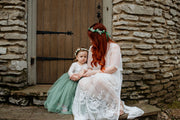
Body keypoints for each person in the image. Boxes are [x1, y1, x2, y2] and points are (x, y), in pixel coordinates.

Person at [72, 23, 144, 120]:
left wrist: (93, 73)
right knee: (83, 83)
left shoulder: (114, 47)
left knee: (98, 79)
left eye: (92, 38)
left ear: (99, 38)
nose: (90, 40)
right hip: (97, 76)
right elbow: (89, 67)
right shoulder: (92, 49)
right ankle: (103, 105)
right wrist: (82, 73)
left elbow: (113, 68)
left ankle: (118, 104)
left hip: (111, 76)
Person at [44, 48, 88, 114]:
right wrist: (72, 76)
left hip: (81, 79)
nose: (83, 58)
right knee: (68, 93)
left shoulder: (86, 65)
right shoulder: (74, 64)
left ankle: (79, 107)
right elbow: (70, 71)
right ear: (77, 57)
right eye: (81, 56)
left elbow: (84, 72)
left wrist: (79, 76)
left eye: (85, 57)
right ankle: (65, 107)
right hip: (72, 79)